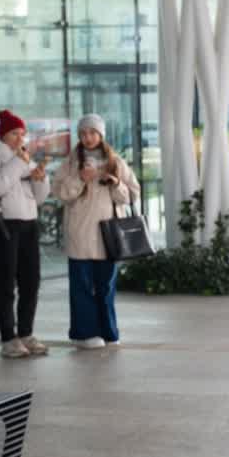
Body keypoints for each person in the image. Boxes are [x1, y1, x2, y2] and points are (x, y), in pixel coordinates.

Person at [53, 114, 140, 349]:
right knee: (81, 287)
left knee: (106, 287)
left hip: (108, 235)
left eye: (92, 133)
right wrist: (80, 179)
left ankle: (109, 333)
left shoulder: (116, 162)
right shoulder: (71, 163)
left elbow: (132, 194)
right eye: (83, 134)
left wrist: (114, 183)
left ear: (101, 135)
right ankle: (84, 334)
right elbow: (60, 192)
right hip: (80, 234)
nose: (88, 138)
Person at [0, 109, 50, 359]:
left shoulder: (22, 159)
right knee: (6, 283)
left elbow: (39, 197)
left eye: (22, 133)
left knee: (31, 281)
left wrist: (39, 178)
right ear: (3, 134)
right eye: (15, 133)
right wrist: (19, 164)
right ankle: (8, 338)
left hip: (28, 224)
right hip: (2, 225)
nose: (20, 139)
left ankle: (26, 333)